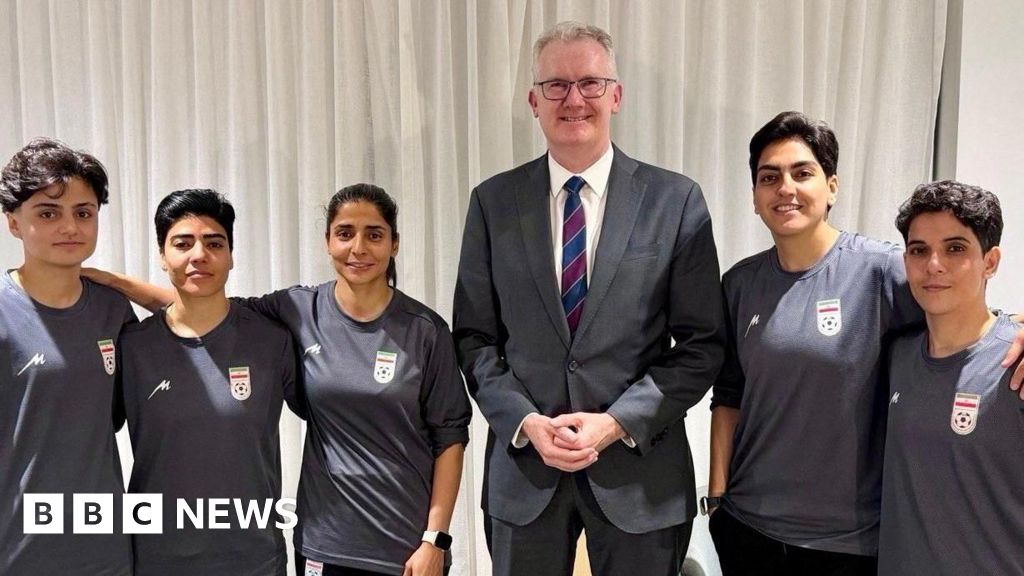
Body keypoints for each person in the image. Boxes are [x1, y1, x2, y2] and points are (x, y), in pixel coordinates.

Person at [453, 21, 725, 576]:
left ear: (616, 95)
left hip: (641, 477)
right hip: (525, 477)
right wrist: (526, 422)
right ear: (534, 101)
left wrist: (618, 422)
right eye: (556, 85)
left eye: (590, 83)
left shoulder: (675, 202)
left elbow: (702, 346)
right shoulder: (492, 203)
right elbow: (475, 340)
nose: (574, 99)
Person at [90, 183, 470, 576]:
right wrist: (116, 284)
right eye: (345, 233)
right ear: (328, 242)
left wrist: (435, 538)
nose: (358, 248)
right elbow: (202, 303)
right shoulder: (296, 310)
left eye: (374, 235)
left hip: (400, 544)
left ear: (394, 244)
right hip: (319, 543)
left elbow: (451, 436)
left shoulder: (422, 330)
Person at [707, 112, 1024, 575]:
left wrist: (1015, 325)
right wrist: (717, 500)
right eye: (769, 177)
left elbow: (960, 311)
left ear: (832, 187)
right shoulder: (739, 283)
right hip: (748, 527)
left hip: (848, 543)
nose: (786, 188)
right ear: (754, 197)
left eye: (802, 173)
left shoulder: (883, 270)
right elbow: (729, 394)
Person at [117, 189, 300, 575]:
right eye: (183, 243)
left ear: (231, 255)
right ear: (162, 255)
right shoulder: (131, 346)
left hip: (254, 559)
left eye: (214, 243)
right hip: (156, 559)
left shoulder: (271, 340)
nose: (199, 255)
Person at [0, 138, 134, 575]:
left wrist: (123, 284)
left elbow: (200, 318)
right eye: (48, 213)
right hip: (17, 551)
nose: (70, 227)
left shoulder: (112, 309)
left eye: (84, 213)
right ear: (13, 222)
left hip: (105, 550)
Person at [879, 181, 1022, 575]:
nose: (934, 264)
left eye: (955, 248)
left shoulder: (1016, 362)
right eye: (919, 250)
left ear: (990, 262)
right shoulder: (895, 356)